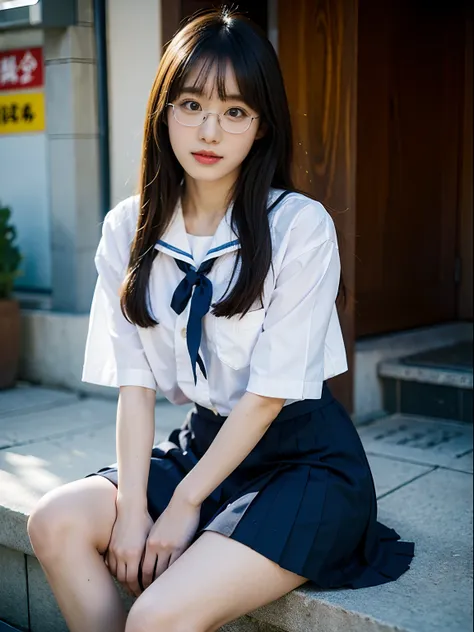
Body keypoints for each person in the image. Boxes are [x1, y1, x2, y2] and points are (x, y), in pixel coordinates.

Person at [27, 7, 414, 632]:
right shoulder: (127, 228)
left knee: (155, 616)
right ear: (164, 110)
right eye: (190, 103)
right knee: (55, 521)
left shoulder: (298, 227)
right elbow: (135, 385)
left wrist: (184, 503)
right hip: (203, 442)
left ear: (261, 127)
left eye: (235, 111)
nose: (209, 130)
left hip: (302, 458)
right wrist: (131, 512)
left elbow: (268, 396)